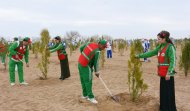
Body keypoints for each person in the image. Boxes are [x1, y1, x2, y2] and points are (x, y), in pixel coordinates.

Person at [136, 30, 176, 111]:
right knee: (163, 93)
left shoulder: (170, 47)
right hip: (162, 74)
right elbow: (151, 53)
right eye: (157, 39)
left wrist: (169, 73)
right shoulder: (160, 47)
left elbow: (173, 61)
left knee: (168, 93)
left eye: (159, 39)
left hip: (168, 75)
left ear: (164, 39)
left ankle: (170, 109)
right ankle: (163, 108)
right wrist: (139, 56)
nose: (157, 40)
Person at [78, 39, 107, 104]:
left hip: (80, 62)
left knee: (83, 80)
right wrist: (97, 72)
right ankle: (90, 97)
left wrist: (84, 56)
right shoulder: (98, 51)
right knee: (88, 81)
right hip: (85, 65)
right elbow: (96, 63)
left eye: (105, 47)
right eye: (104, 46)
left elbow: (81, 48)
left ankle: (85, 95)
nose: (104, 48)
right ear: (100, 44)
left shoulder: (90, 43)